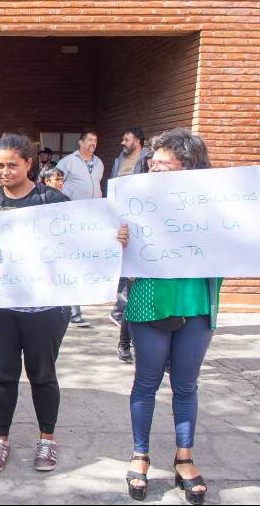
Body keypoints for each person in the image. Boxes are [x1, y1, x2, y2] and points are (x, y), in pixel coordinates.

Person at [0, 134, 128, 474]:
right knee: (3, 375)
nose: (6, 171)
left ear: (29, 163)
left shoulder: (53, 200)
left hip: (45, 310)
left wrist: (113, 239)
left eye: (13, 164)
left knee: (42, 374)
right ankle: (0, 440)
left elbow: (83, 240)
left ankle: (47, 439)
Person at [123, 128, 217, 506]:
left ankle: (184, 458)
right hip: (150, 300)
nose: (154, 166)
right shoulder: (135, 199)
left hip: (196, 301)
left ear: (188, 166)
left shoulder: (214, 201)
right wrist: (119, 238)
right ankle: (140, 454)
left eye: (164, 162)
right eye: (153, 160)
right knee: (145, 382)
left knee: (186, 385)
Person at [109, 126, 151, 364]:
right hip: (129, 227)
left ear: (138, 141)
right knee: (132, 289)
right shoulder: (119, 161)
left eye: (127, 138)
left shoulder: (146, 159)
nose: (122, 142)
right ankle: (125, 342)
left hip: (153, 233)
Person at [55, 131, 104, 327]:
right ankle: (73, 309)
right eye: (89, 140)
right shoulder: (68, 161)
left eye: (95, 140)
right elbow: (55, 182)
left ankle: (74, 303)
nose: (93, 143)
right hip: (71, 216)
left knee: (84, 260)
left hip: (91, 218)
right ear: (80, 142)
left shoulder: (99, 163)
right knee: (71, 260)